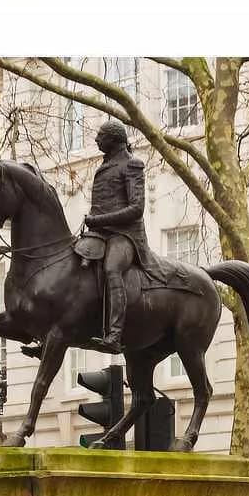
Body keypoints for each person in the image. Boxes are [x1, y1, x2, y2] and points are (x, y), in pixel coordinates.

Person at [83, 120, 152, 354]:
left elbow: (136, 209)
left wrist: (99, 220)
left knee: (112, 268)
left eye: (100, 135)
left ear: (113, 139)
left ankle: (114, 335)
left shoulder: (132, 165)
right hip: (99, 233)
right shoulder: (104, 166)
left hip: (126, 236)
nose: (96, 140)